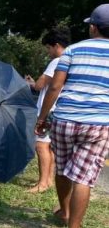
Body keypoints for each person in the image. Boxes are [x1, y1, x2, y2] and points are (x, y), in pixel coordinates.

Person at [35, 4, 109, 228]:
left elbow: (55, 87)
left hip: (65, 119)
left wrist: (42, 118)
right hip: (97, 124)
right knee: (84, 178)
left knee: (63, 169)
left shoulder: (73, 51)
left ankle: (65, 212)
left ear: (93, 27)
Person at [25, 27, 71, 193]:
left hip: (49, 109)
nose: (48, 52)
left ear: (56, 45)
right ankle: (49, 180)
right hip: (60, 109)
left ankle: (42, 183)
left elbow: (39, 85)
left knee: (40, 146)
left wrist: (30, 83)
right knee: (49, 146)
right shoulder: (72, 58)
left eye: (48, 48)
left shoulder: (57, 62)